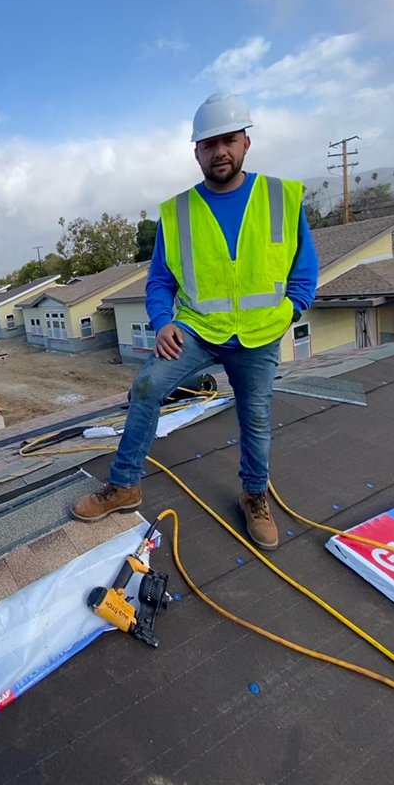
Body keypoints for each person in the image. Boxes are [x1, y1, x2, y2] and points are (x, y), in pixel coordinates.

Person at [71, 93, 319, 550]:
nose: (218, 150)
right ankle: (125, 486)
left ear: (245, 142)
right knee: (146, 387)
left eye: (227, 140)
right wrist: (162, 321)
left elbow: (303, 271)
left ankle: (254, 496)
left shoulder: (282, 196)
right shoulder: (178, 212)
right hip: (199, 331)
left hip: (261, 334)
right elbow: (160, 280)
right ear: (197, 152)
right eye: (208, 144)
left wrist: (291, 311)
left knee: (257, 419)